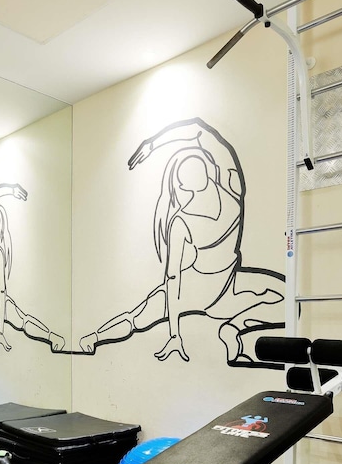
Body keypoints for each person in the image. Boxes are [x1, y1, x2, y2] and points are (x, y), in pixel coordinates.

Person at [78, 118, 282, 363]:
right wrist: (174, 334)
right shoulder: (230, 190)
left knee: (288, 298)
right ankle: (93, 338)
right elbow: (199, 130)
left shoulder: (185, 218)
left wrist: (152, 143)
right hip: (206, 288)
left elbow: (173, 278)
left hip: (218, 286)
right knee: (137, 318)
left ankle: (232, 329)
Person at [0, 183, 66, 352]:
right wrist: (11, 190)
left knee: (22, 321)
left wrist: (0, 332)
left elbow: (2, 292)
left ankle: (52, 338)